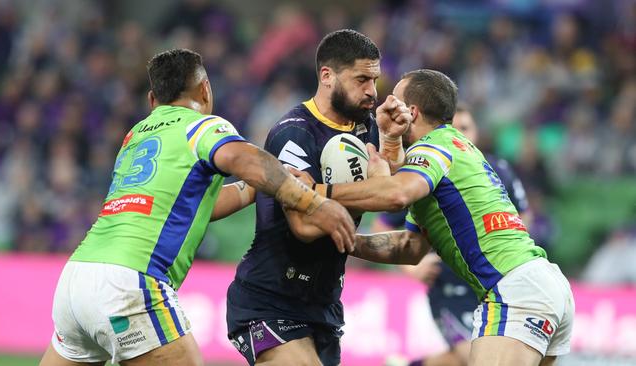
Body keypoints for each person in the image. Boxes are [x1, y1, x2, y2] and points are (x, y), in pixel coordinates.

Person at [39, 49, 357, 366]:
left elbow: (192, 208)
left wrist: (258, 188)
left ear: (153, 100)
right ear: (205, 90)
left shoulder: (134, 136)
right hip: (130, 282)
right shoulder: (200, 126)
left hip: (76, 280)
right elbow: (246, 159)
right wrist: (312, 202)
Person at [316, 69, 575, 366]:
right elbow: (409, 248)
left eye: (393, 100)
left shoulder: (433, 146)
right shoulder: (458, 149)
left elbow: (396, 195)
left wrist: (313, 192)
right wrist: (345, 239)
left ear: (410, 112)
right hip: (545, 286)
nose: (383, 107)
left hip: (514, 292)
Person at [225, 29, 411, 365]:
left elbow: (393, 189)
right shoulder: (294, 132)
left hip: (323, 305)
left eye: (375, 80)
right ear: (327, 76)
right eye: (361, 80)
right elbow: (303, 226)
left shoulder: (365, 126)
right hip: (269, 299)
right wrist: (370, 189)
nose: (372, 91)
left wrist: (391, 142)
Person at [377, 104, 533, 366]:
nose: (459, 134)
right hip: (449, 284)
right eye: (454, 129)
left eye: (465, 128)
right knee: (475, 358)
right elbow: (384, 224)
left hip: (493, 284)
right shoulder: (426, 171)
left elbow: (523, 216)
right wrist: (411, 269)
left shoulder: (496, 169)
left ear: (475, 133)